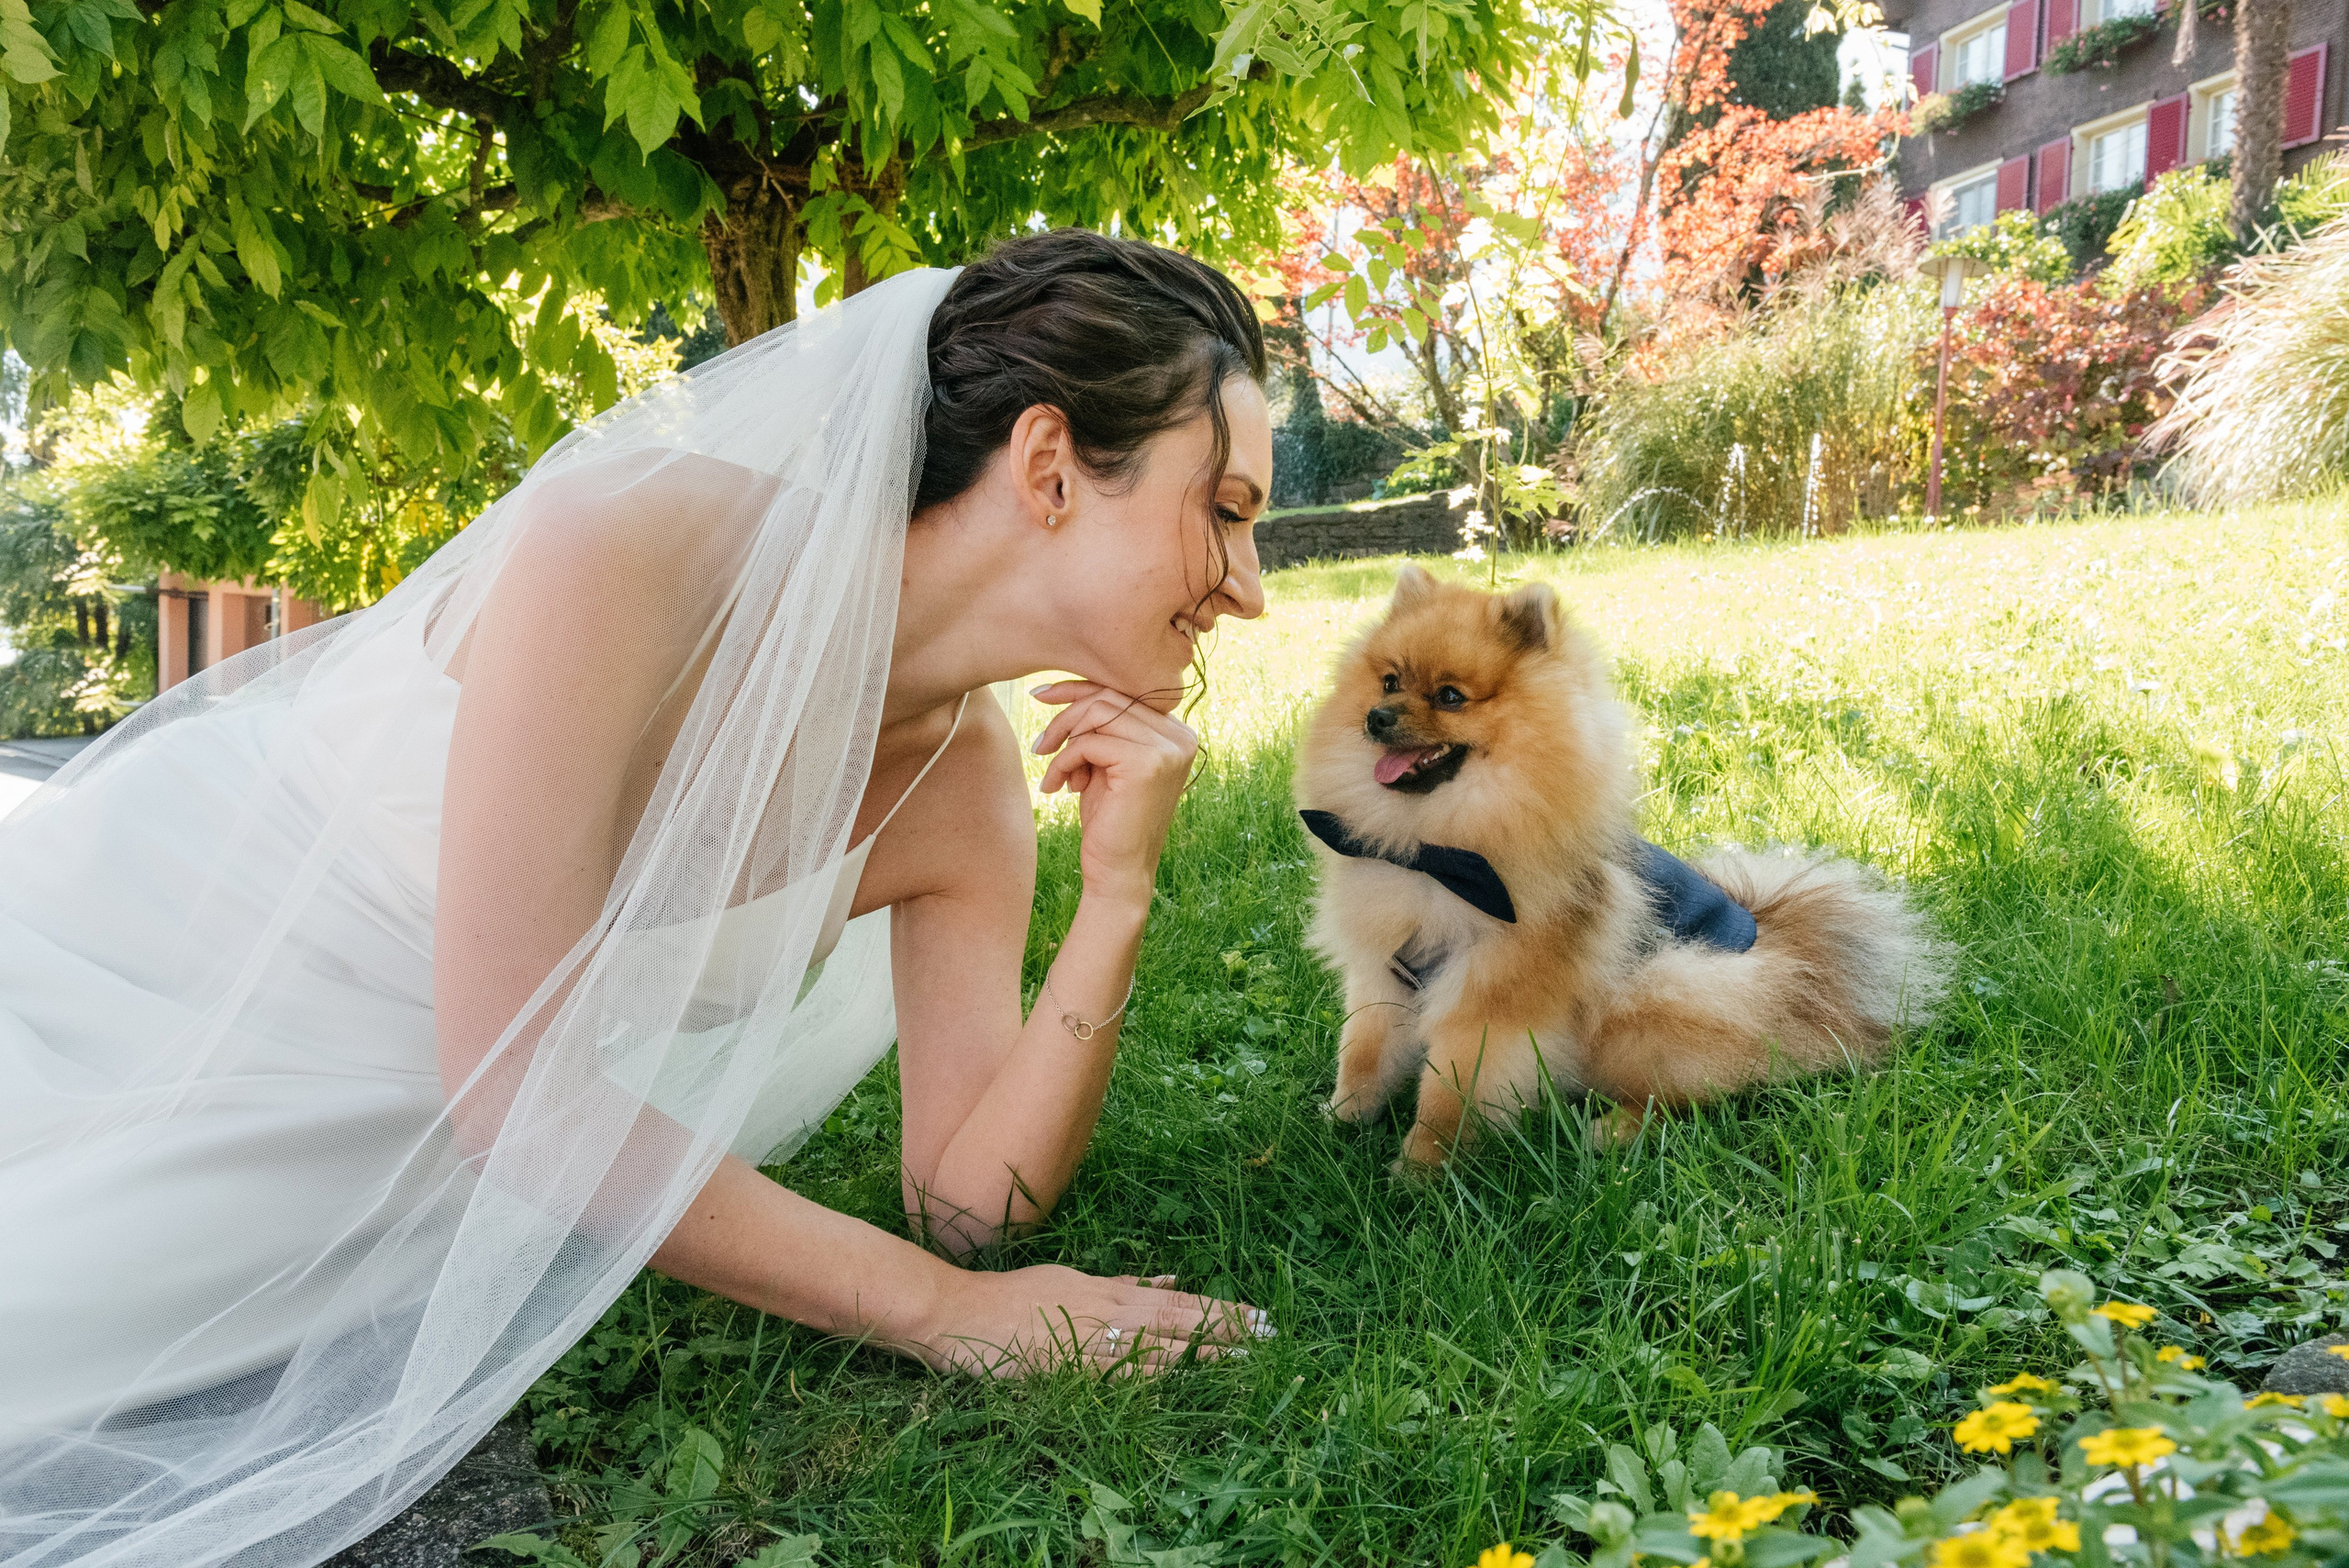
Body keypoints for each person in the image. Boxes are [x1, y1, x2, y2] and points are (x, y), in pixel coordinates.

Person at [0, 228, 1275, 1566]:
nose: (1247, 588)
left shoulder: (963, 788)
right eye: (1227, 510)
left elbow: (971, 1203)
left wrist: (1115, 897)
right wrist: (944, 1310)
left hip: (384, 1143)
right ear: (1049, 467)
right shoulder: (631, 547)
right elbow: (518, 1084)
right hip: (167, 965)